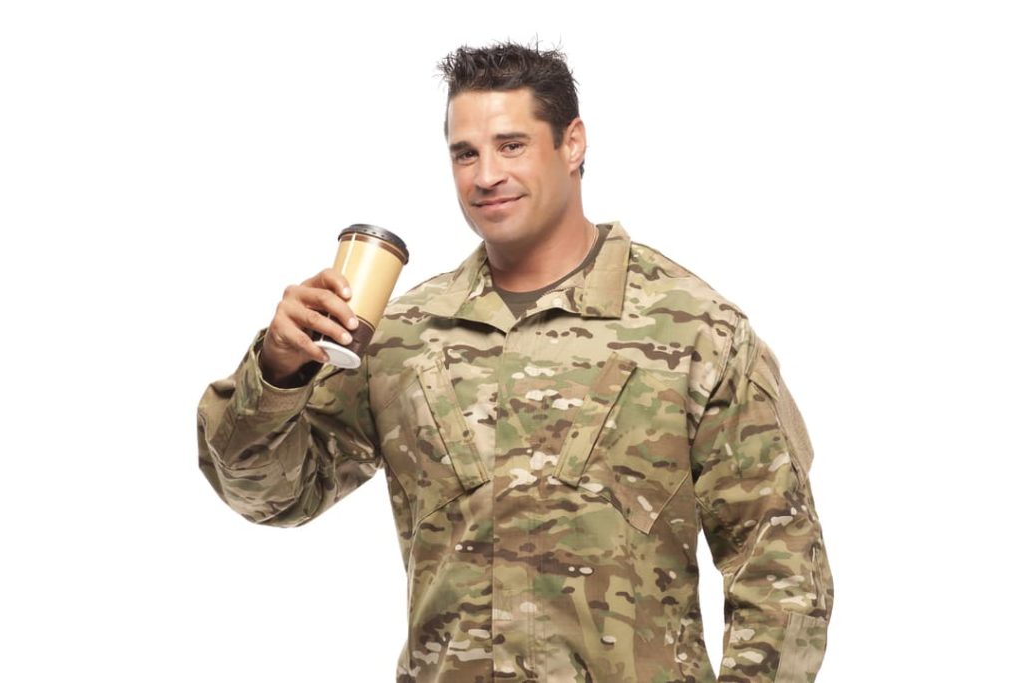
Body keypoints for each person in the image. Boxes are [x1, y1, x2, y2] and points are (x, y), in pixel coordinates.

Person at [197, 41, 834, 683]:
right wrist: (277, 370)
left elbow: (782, 573)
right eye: (465, 154)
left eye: (511, 145)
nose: (485, 175)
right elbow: (271, 497)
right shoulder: (404, 337)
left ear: (572, 143)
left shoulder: (696, 328)